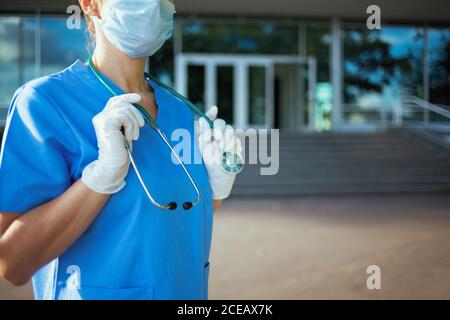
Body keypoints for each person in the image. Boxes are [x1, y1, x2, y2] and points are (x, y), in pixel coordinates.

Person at [0, 0, 242, 300]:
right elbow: (11, 262)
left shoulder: (180, 111)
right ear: (90, 5)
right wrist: (100, 178)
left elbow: (169, 216)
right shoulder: (43, 103)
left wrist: (215, 192)